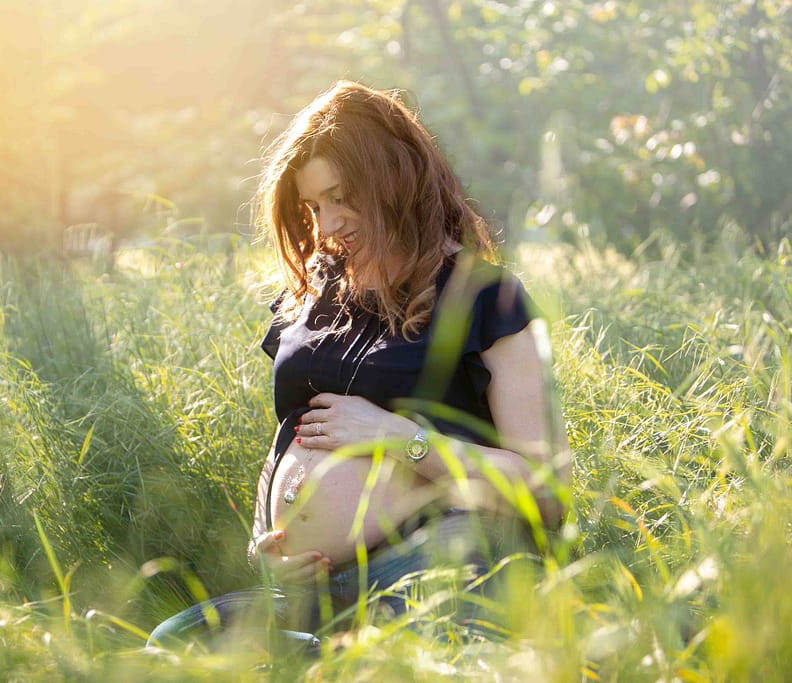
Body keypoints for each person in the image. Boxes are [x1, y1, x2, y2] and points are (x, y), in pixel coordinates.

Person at [146, 80, 570, 654]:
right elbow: (289, 434)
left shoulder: (486, 299)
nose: (327, 225)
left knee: (383, 661)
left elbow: (546, 490)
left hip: (435, 558)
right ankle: (329, 650)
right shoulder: (311, 295)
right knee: (172, 646)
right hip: (313, 584)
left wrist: (403, 439)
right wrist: (263, 547)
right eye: (313, 207)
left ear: (393, 180)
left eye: (341, 197)